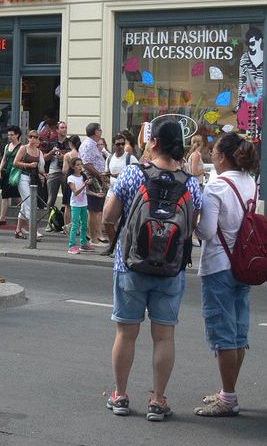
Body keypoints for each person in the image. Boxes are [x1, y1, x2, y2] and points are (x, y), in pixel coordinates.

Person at [102, 120, 202, 421]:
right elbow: (191, 226)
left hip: (130, 265)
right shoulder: (191, 181)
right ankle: (158, 401)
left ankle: (120, 395)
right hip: (171, 269)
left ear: (154, 142)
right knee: (164, 336)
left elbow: (108, 216)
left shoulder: (134, 173)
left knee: (126, 333)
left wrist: (116, 241)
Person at [193, 132, 260, 417]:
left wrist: (192, 224)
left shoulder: (217, 186)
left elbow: (207, 231)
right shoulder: (250, 182)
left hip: (219, 264)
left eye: (214, 152)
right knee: (237, 333)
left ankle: (228, 397)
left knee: (223, 336)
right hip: (245, 263)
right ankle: (227, 390)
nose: (211, 156)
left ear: (222, 156)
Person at [12, 130, 46, 239]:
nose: (32, 139)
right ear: (27, 138)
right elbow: (15, 162)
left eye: (35, 137)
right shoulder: (23, 148)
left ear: (38, 139)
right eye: (30, 136)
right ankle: (33, 231)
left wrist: (44, 174)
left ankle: (18, 230)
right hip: (23, 177)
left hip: (33, 179)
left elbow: (40, 168)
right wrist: (29, 165)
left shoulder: (39, 152)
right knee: (29, 203)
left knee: (25, 204)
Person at [79, 122, 108, 245]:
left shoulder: (93, 145)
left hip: (98, 178)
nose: (101, 131)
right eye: (100, 129)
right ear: (96, 132)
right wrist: (100, 175)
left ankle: (95, 235)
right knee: (93, 209)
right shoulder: (88, 145)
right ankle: (93, 237)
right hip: (94, 178)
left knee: (97, 209)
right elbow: (87, 164)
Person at [0, 125, 22, 226]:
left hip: (15, 173)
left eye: (12, 135)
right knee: (5, 195)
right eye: (9, 134)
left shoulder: (21, 147)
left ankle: (26, 209)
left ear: (17, 135)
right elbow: (4, 159)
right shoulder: (7, 146)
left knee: (16, 195)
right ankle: (2, 218)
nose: (9, 137)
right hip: (7, 173)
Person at [66, 157, 93, 254]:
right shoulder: (70, 178)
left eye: (80, 164)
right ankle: (72, 245)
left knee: (84, 224)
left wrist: (96, 194)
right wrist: (84, 185)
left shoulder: (83, 176)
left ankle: (83, 243)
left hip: (84, 204)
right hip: (75, 204)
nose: (80, 167)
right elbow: (76, 192)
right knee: (75, 224)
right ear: (73, 167)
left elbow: (87, 191)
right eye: (77, 165)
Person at [46, 120, 70, 219]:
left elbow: (75, 156)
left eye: (65, 128)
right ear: (57, 130)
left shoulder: (70, 142)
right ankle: (50, 221)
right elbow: (44, 158)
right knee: (51, 199)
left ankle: (64, 222)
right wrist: (52, 152)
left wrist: (63, 157)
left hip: (66, 172)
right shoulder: (52, 143)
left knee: (66, 199)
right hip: (54, 171)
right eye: (62, 128)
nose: (64, 130)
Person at [105, 133, 137, 200]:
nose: (121, 146)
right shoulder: (109, 158)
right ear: (113, 145)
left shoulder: (130, 158)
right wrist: (105, 178)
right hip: (111, 193)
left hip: (125, 195)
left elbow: (137, 174)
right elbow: (106, 175)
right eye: (118, 144)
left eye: (123, 144)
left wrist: (122, 176)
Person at [61, 135, 82, 232]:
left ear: (70, 144)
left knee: (68, 205)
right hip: (80, 180)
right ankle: (77, 227)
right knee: (79, 205)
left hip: (69, 181)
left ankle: (67, 227)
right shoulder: (81, 154)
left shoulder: (68, 155)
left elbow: (64, 170)